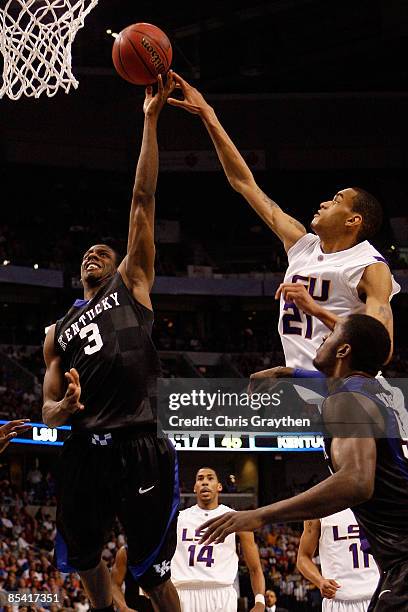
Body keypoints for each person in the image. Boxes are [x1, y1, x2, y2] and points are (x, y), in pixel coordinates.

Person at [42, 74, 181, 612]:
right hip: (84, 448)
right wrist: (65, 406)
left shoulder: (133, 283)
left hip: (140, 442)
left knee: (152, 579)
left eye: (106, 250)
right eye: (89, 253)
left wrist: (149, 119)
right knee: (81, 559)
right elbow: (49, 412)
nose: (95, 255)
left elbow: (142, 197)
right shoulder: (57, 333)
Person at [167, 74, 400, 370]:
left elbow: (383, 349)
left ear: (354, 220)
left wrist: (314, 309)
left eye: (337, 200)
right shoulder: (301, 244)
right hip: (304, 390)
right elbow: (244, 183)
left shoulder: (370, 266)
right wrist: (207, 114)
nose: (325, 202)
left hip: (348, 391)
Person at [199, 314, 408, 611]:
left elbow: (357, 482)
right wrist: (286, 373)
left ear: (343, 350)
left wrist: (261, 515)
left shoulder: (346, 400)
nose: (323, 338)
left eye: (332, 334)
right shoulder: (379, 393)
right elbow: (334, 383)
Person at [171, 467, 265, 612]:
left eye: (210, 478)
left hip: (222, 594)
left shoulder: (237, 520)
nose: (205, 483)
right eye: (200, 479)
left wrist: (259, 601)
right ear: (195, 488)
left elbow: (255, 567)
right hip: (183, 593)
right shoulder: (178, 519)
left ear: (219, 486)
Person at [297, 508, 379, 611]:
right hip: (339, 600)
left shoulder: (377, 505)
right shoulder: (318, 508)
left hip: (377, 597)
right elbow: (303, 557)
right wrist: (320, 581)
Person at [111, 546, 153, 612]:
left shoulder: (167, 547)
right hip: (134, 607)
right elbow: (114, 584)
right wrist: (124, 608)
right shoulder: (125, 552)